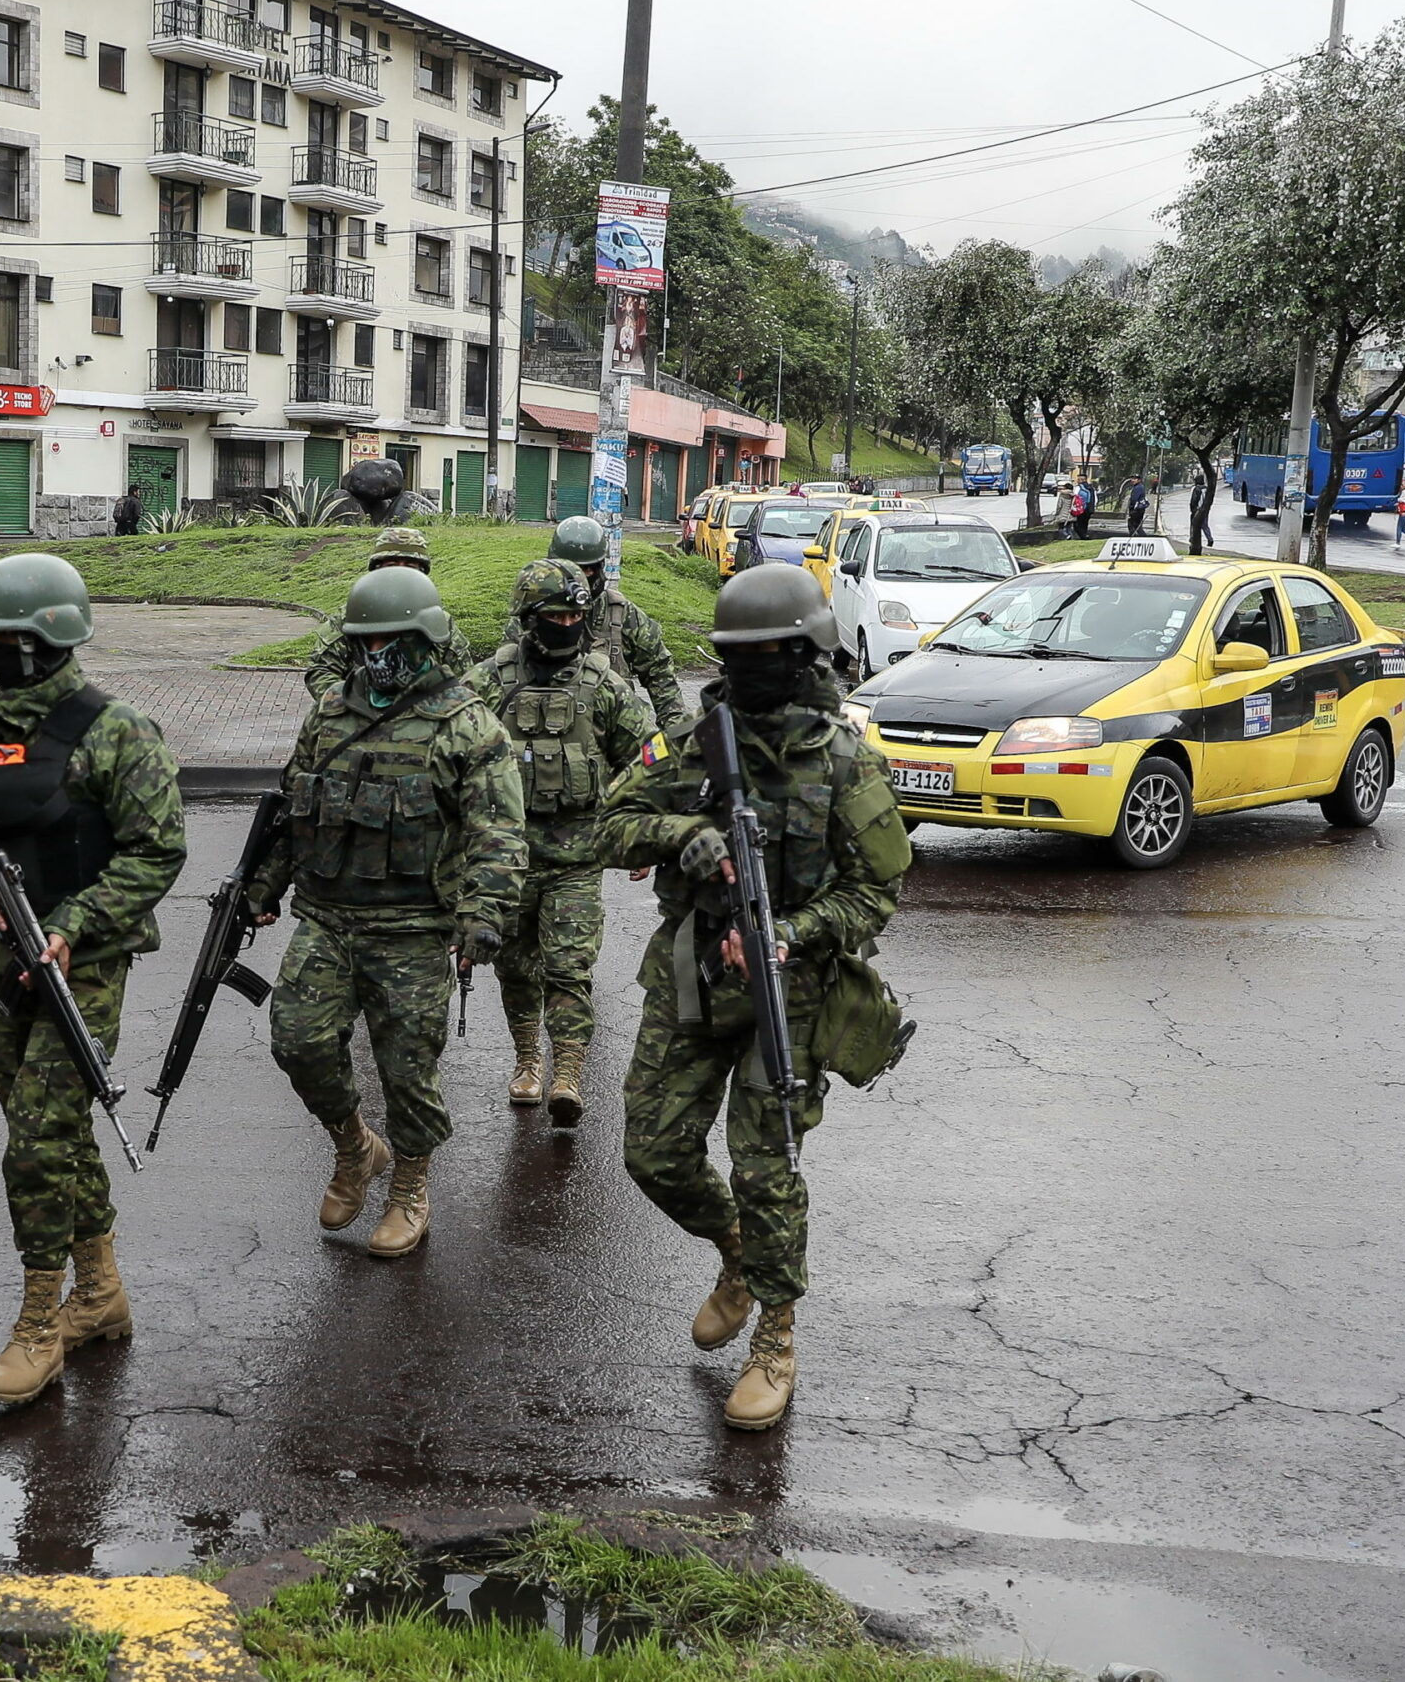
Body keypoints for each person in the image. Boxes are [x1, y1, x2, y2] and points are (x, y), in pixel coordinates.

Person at [595, 563, 912, 1432]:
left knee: (767, 1167)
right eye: (741, 658)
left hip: (794, 993)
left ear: (808, 652)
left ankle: (774, 1337)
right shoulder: (697, 742)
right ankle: (737, 1251)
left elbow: (878, 894)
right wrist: (686, 835)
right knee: (651, 1153)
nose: (754, 673)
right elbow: (606, 824)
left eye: (771, 656)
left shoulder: (845, 756)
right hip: (694, 976)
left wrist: (791, 933)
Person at [0, 554, 187, 1406]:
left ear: (45, 641)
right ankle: (101, 1295)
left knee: (35, 1142)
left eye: (9, 641)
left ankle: (40, 1323)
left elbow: (158, 850)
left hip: (83, 971)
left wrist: (76, 924)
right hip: (1, 967)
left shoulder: (117, 730)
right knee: (56, 1138)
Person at [251, 566, 527, 1257]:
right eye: (365, 642)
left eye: (391, 641)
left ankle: (409, 1184)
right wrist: (262, 886)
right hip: (326, 917)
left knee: (407, 1069)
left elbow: (499, 834)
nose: (377, 656)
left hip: (411, 928)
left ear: (425, 639)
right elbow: (294, 812)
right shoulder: (329, 716)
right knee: (298, 1040)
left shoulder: (468, 728)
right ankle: (354, 1147)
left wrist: (482, 916)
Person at [469, 559, 654, 1125]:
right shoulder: (490, 681)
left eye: (577, 613)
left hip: (578, 858)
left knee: (568, 969)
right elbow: (450, 754)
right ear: (529, 618)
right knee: (515, 967)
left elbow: (650, 756)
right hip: (508, 859)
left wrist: (640, 829)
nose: (568, 623)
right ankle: (528, 1061)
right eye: (555, 614)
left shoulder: (602, 684)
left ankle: (567, 1072)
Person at [503, 517, 692, 733]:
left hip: (610, 736)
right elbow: (503, 674)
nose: (580, 579)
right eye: (571, 570)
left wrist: (677, 735)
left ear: (600, 567)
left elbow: (661, 676)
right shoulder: (531, 617)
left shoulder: (622, 615)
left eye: (587, 570)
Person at [303, 524, 477, 697]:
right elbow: (320, 671)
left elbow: (464, 679)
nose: (399, 572)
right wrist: (350, 706)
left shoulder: (439, 622)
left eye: (410, 566)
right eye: (392, 565)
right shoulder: (352, 618)